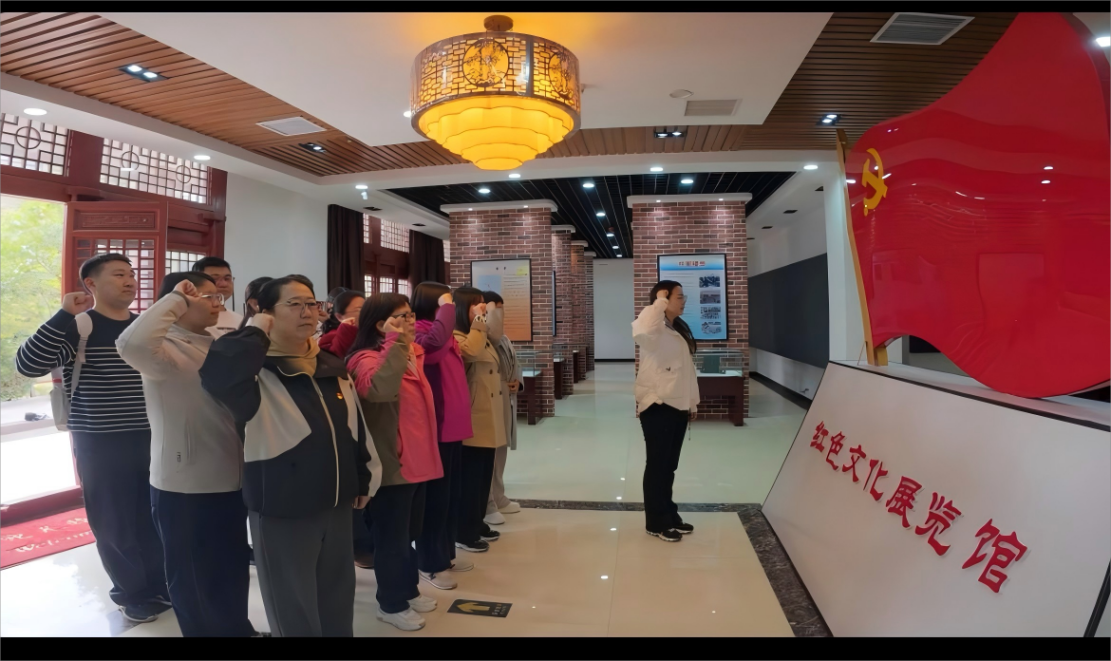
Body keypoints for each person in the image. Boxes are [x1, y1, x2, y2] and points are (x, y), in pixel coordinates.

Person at [199, 275, 382, 637]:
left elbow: (356, 428)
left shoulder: (329, 365)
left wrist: (365, 477)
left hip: (337, 501)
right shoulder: (254, 372)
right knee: (293, 605)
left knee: (337, 596)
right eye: (294, 304)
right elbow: (218, 373)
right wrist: (256, 330)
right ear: (264, 312)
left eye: (311, 304)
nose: (307, 312)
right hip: (283, 506)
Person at [14, 253, 168, 624]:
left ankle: (159, 584)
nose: (129, 280)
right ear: (92, 284)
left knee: (155, 516)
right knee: (114, 521)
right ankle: (131, 593)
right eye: (118, 274)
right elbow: (27, 365)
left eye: (131, 274)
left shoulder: (144, 327)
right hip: (101, 441)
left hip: (154, 435)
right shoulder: (79, 326)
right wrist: (62, 315)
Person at [116, 271, 257, 637]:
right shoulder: (161, 350)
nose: (216, 303)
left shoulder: (216, 343)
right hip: (185, 485)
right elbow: (129, 343)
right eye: (206, 296)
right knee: (194, 579)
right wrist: (176, 297)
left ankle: (237, 630)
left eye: (218, 296)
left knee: (230, 568)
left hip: (230, 476)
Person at [346, 293, 443, 631]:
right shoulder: (365, 359)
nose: (411, 321)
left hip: (419, 460)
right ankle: (390, 603)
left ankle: (408, 589)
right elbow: (380, 390)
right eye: (403, 316)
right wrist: (393, 343)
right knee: (392, 539)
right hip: (391, 465)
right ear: (380, 324)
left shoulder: (410, 353)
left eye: (411, 314)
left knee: (409, 534)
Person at [411, 282, 475, 590]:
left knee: (451, 495)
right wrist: (448, 307)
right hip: (437, 426)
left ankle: (446, 554)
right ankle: (430, 562)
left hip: (453, 426)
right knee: (435, 499)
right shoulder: (421, 331)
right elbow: (433, 349)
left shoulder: (441, 330)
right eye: (443, 300)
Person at [631, 281, 701, 543]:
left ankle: (669, 514)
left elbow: (686, 372)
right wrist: (659, 301)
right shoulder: (653, 324)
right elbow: (642, 333)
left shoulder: (675, 328)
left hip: (678, 405)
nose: (683, 301)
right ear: (663, 298)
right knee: (658, 465)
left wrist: (691, 402)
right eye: (678, 297)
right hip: (658, 404)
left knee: (669, 466)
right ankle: (656, 522)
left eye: (683, 296)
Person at [452, 287, 507, 553]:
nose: (483, 308)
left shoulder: (481, 333)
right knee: (471, 479)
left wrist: (487, 316)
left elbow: (495, 336)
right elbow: (471, 353)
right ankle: (464, 530)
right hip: (474, 416)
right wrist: (479, 320)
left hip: (488, 414)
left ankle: (477, 522)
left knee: (484, 475)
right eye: (477, 305)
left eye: (483, 304)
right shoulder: (459, 336)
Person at [480, 291, 523, 526]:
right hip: (490, 399)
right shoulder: (483, 338)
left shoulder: (504, 338)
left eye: (501, 307)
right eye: (494, 307)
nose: (500, 312)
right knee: (489, 451)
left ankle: (498, 495)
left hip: (506, 398)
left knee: (501, 449)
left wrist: (518, 382)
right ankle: (487, 502)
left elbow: (515, 364)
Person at [191, 257, 240, 337]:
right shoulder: (188, 321)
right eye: (215, 279)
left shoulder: (241, 320)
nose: (224, 284)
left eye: (227, 278)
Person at [318, 289, 365, 358]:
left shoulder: (366, 332)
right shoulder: (331, 337)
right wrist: (347, 329)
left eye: (366, 308)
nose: (366, 313)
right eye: (359, 310)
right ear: (339, 316)